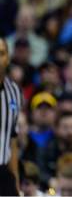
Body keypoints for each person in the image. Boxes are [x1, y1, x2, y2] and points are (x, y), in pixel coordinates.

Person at [0, 36, 22, 196]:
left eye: (1, 53)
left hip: (3, 172)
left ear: (8, 58)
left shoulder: (14, 91)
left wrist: (16, 180)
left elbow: (12, 139)